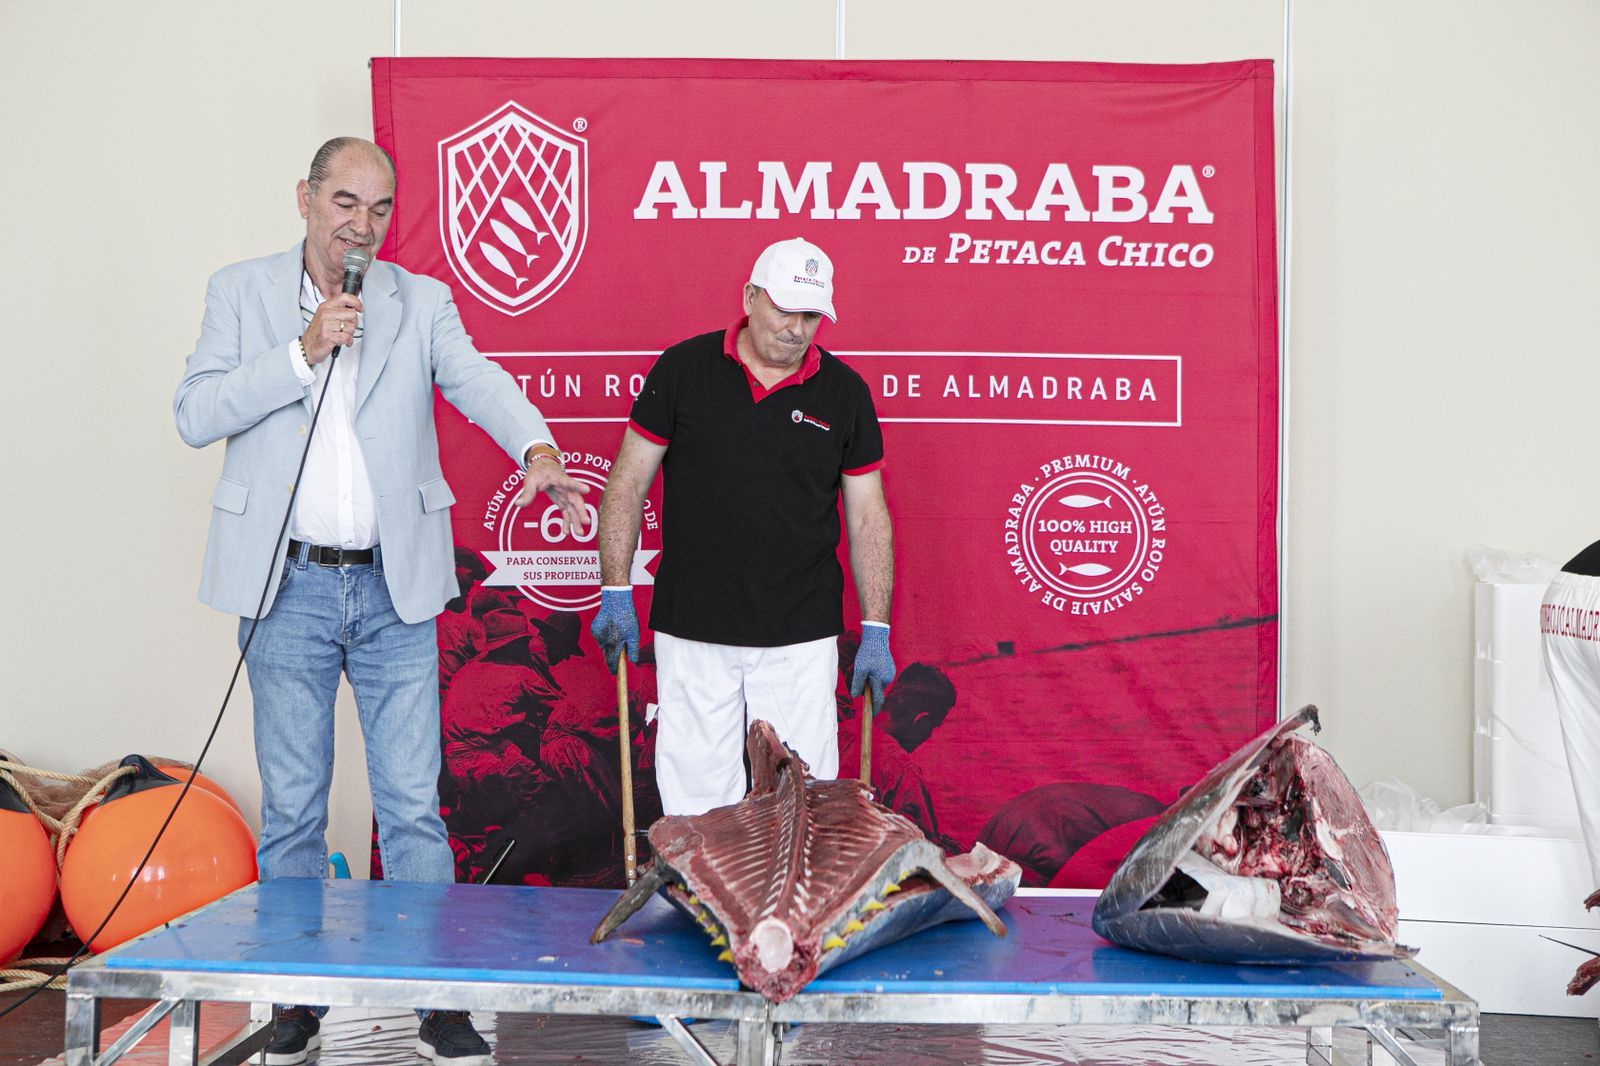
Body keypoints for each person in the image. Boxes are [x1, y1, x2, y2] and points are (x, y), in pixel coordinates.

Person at [173, 136, 588, 1066]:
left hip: (393, 584)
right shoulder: (239, 292)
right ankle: (293, 999)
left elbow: (476, 379)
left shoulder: (418, 300)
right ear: (306, 200)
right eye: (346, 203)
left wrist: (537, 448)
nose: (362, 225)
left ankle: (437, 1001)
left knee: (410, 807)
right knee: (292, 810)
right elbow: (195, 413)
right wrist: (300, 350)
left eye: (380, 208)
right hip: (286, 587)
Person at [590, 237, 895, 816]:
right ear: (751, 296)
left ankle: (797, 910)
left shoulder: (845, 393)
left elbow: (868, 515)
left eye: (812, 316)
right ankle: (696, 905)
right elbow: (628, 481)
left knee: (801, 803)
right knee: (696, 801)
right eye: (785, 309)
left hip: (800, 632)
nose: (797, 329)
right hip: (694, 624)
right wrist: (614, 590)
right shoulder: (683, 369)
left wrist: (875, 626)